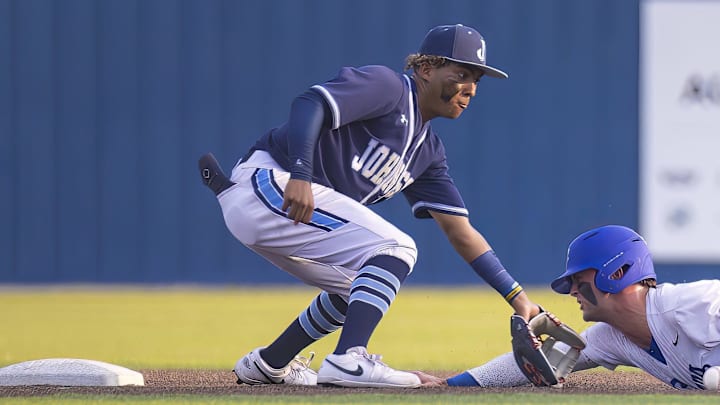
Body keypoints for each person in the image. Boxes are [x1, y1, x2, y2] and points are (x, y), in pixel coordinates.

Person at [199, 24, 547, 388]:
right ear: (426, 68)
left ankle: (269, 363)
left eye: (476, 79)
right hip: (269, 184)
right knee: (396, 247)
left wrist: (519, 299)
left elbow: (461, 233)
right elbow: (310, 103)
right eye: (461, 74)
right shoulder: (391, 88)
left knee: (360, 284)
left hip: (283, 204)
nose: (470, 88)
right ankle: (349, 359)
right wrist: (301, 173)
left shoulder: (428, 152)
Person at [421, 225, 720, 390]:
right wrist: (449, 384)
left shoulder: (689, 303)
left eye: (579, 279)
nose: (573, 291)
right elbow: (538, 363)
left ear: (616, 273)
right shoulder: (610, 337)